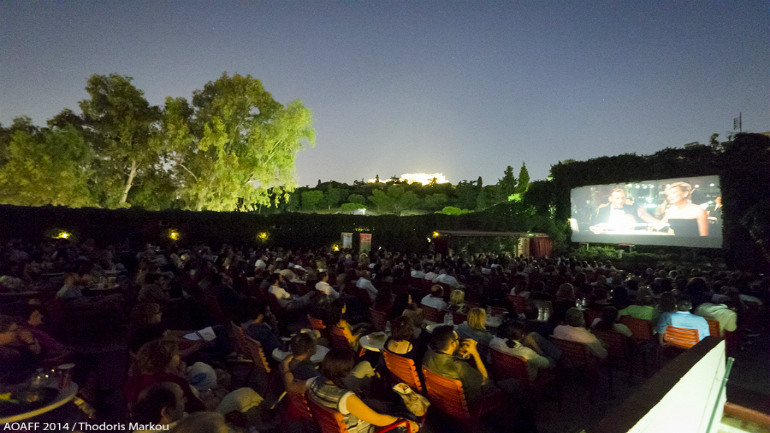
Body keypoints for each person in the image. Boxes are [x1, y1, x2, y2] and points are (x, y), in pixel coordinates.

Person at [283, 348, 420, 433]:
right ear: (345, 372)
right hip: (364, 429)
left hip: (333, 426)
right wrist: (405, 421)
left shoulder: (313, 382)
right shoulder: (346, 398)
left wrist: (285, 368)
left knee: (378, 404)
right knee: (410, 419)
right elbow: (379, 420)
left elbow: (291, 387)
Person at [489, 321, 559, 382]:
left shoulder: (494, 342)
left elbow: (489, 359)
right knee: (553, 360)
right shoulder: (526, 353)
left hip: (505, 373)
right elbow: (546, 364)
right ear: (522, 335)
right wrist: (536, 347)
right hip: (527, 379)